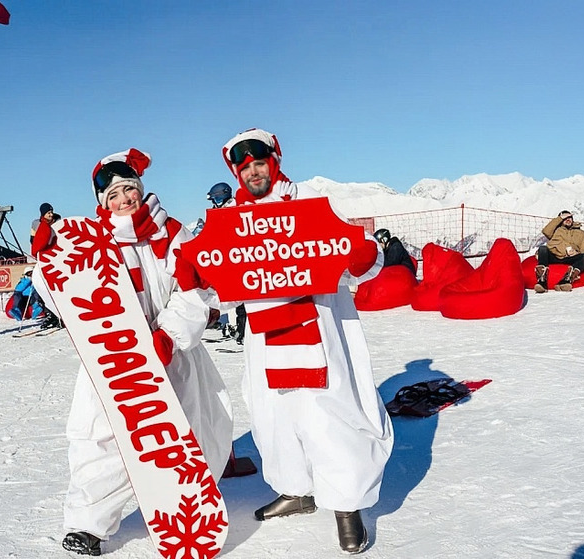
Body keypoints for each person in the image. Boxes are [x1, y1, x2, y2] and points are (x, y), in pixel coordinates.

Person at [45, 148, 233, 556]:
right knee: (103, 437)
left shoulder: (174, 233)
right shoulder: (88, 241)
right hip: (113, 360)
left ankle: (189, 512)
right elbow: (65, 302)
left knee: (186, 432)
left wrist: (169, 334)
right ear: (102, 203)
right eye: (113, 194)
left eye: (129, 189)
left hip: (174, 355)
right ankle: (89, 524)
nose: (124, 199)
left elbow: (197, 290)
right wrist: (47, 259)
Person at [218, 128, 393, 554]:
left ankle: (346, 506)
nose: (254, 173)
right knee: (274, 415)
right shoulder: (233, 222)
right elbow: (222, 282)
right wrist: (201, 281)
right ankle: (297, 489)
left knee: (329, 415)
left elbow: (357, 246)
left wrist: (365, 256)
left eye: (260, 164)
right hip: (265, 336)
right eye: (246, 169)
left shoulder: (310, 203)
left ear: (273, 163)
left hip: (319, 326)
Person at [206, 182, 247, 344]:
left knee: (241, 298)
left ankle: (242, 331)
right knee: (237, 298)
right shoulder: (225, 210)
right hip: (233, 260)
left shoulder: (232, 211)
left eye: (215, 200)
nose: (214, 204)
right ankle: (238, 328)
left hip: (239, 261)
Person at [534, 210, 584, 293]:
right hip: (554, 256)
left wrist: (576, 253)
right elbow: (545, 231)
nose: (568, 219)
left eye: (569, 217)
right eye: (565, 218)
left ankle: (566, 281)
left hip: (569, 258)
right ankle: (542, 281)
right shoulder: (555, 230)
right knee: (543, 248)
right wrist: (559, 218)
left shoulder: (581, 233)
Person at [31, 204, 64, 329]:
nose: (51, 214)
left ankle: (60, 315)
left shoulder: (57, 223)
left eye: (51, 212)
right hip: (45, 259)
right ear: (43, 214)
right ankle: (52, 315)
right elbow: (35, 241)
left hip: (56, 258)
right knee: (44, 290)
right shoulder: (39, 225)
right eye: (48, 213)